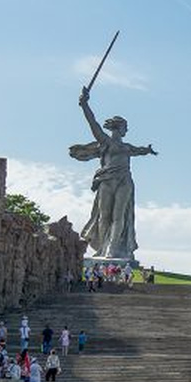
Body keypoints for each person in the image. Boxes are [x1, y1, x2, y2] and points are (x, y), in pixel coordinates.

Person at [70, 87, 157, 260]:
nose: (127, 130)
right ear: (119, 128)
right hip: (107, 181)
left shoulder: (127, 147)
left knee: (119, 216)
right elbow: (92, 123)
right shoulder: (105, 141)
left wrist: (148, 150)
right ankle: (103, 247)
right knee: (104, 216)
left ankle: (112, 249)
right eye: (126, 127)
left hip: (124, 181)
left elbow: (139, 150)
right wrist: (84, 105)